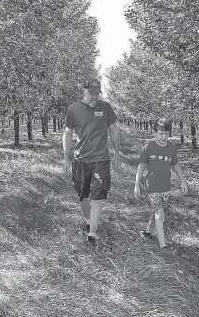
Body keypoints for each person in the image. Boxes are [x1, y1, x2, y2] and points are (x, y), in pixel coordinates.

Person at [63, 77, 120, 244]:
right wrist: (66, 157)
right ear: (84, 90)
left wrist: (117, 154)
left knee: (98, 195)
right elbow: (67, 134)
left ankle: (92, 233)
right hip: (80, 159)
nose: (95, 97)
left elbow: (114, 131)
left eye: (97, 94)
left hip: (101, 159)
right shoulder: (74, 109)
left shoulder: (106, 108)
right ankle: (89, 221)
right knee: (83, 196)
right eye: (92, 93)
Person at [134, 118, 188, 249]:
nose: (164, 137)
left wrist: (182, 181)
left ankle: (147, 231)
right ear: (154, 133)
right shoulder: (148, 148)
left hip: (166, 187)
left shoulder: (171, 149)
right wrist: (136, 185)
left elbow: (175, 165)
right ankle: (162, 244)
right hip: (152, 186)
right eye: (161, 133)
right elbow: (141, 167)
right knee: (160, 213)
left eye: (166, 134)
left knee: (156, 211)